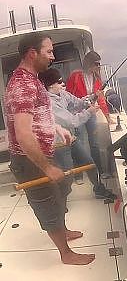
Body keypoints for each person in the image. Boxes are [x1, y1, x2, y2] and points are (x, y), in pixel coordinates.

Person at [4, 32, 95, 265]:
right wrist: (45, 167)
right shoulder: (22, 85)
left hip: (43, 152)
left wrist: (57, 129)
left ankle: (63, 231)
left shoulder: (33, 79)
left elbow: (39, 115)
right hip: (29, 160)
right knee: (47, 204)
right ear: (32, 53)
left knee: (62, 188)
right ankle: (66, 254)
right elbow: (24, 135)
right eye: (49, 51)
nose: (52, 57)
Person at [38, 68, 116, 199]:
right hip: (58, 144)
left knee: (90, 163)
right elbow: (72, 121)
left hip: (71, 138)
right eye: (59, 82)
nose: (63, 84)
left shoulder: (62, 94)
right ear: (50, 85)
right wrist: (89, 112)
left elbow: (78, 102)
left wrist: (93, 96)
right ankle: (60, 201)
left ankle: (98, 189)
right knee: (67, 175)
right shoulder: (49, 102)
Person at [66, 51, 114, 178]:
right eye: (96, 64)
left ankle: (100, 171)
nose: (98, 66)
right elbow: (68, 97)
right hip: (78, 114)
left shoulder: (96, 78)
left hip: (91, 113)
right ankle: (78, 174)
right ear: (89, 63)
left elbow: (101, 99)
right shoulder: (75, 76)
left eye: (99, 64)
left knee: (94, 143)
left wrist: (108, 116)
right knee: (79, 142)